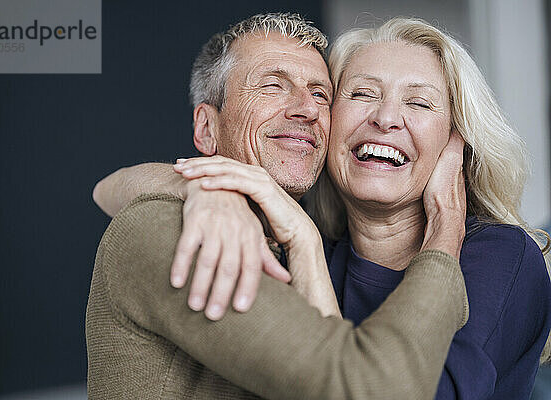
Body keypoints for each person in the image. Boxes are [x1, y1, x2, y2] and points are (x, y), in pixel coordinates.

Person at [94, 16, 551, 399]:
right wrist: (207, 187)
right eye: (361, 94)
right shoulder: (275, 247)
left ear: (457, 143)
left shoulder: (500, 257)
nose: (386, 118)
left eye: (320, 94)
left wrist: (445, 228)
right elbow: (110, 192)